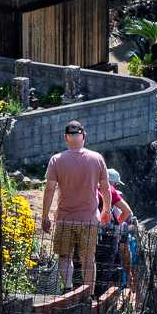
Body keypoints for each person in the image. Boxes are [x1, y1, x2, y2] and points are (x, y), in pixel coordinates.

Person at [40, 119, 109, 295]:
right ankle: (89, 295)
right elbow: (106, 188)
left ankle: (68, 287)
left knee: (64, 256)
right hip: (89, 219)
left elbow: (49, 189)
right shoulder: (97, 158)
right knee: (87, 259)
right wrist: (106, 210)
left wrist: (45, 216)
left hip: (65, 218)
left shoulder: (56, 160)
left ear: (66, 138)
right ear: (84, 136)